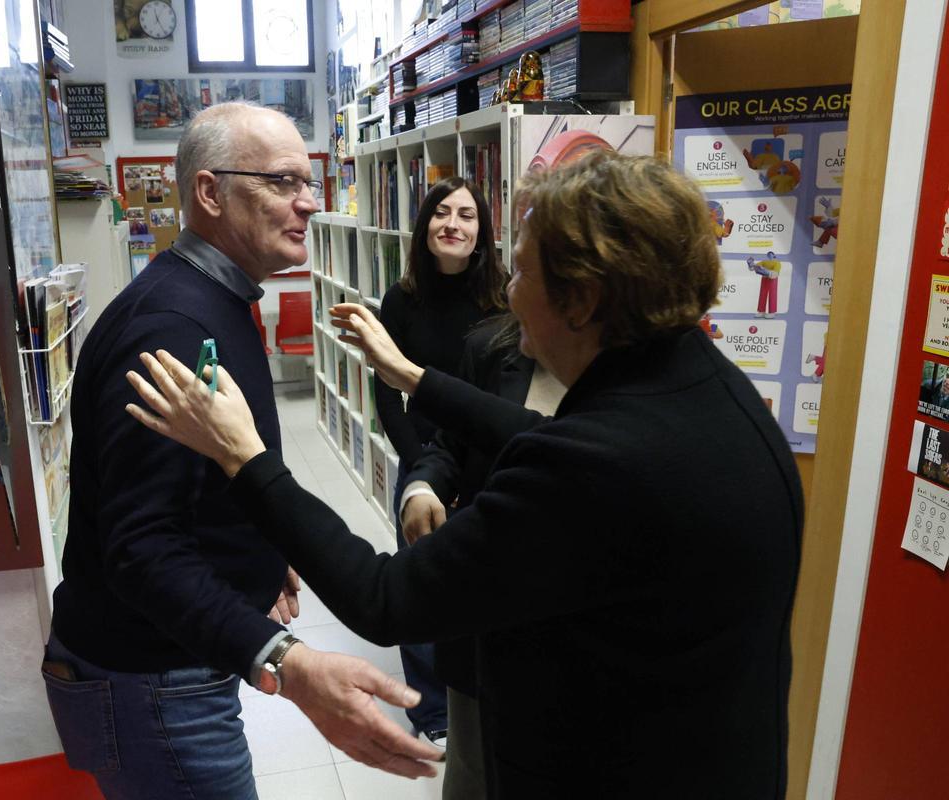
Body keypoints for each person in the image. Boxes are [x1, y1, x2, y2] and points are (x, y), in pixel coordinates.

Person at [123, 151, 804, 798]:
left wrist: (246, 458)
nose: (507, 290)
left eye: (522, 274)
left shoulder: (597, 465)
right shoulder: (708, 390)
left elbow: (386, 598)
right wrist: (413, 378)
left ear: (584, 300)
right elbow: (539, 436)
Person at [42, 101, 441, 800]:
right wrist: (283, 660)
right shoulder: (170, 326)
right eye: (283, 182)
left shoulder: (213, 297)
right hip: (153, 683)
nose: (310, 204)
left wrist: (257, 551)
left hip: (172, 669)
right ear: (209, 193)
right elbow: (141, 547)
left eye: (310, 182)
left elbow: (203, 472)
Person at [398, 313, 564, 799]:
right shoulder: (494, 346)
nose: (512, 288)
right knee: (473, 775)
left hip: (574, 636)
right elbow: (450, 444)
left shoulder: (632, 367)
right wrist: (423, 485)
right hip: (485, 621)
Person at [376, 176, 506, 750]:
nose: (453, 224)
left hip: (486, 460)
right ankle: (432, 710)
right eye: (442, 213)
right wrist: (419, 469)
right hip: (424, 463)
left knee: (482, 583)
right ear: (426, 225)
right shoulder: (402, 298)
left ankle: (480, 691)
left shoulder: (502, 297)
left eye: (467, 216)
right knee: (422, 585)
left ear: (482, 232)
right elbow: (386, 392)